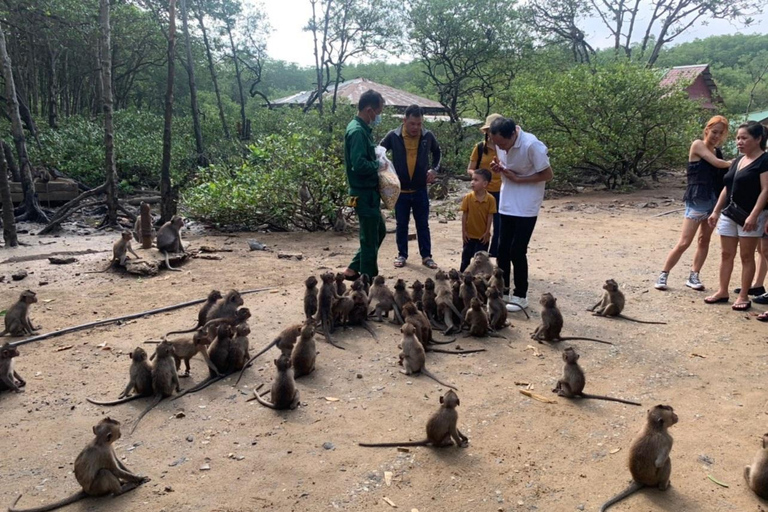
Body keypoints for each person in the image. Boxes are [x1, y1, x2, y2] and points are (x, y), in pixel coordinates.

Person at [654, 116, 731, 291]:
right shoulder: (698, 145)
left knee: (704, 240)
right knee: (684, 242)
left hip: (713, 202)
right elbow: (718, 164)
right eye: (714, 132)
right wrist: (736, 163)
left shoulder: (718, 151)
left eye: (720, 133)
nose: (716, 136)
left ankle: (694, 275)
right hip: (698, 200)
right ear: (707, 130)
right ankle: (664, 274)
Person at [488, 117, 553, 311]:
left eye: (503, 144)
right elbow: (508, 165)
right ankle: (503, 290)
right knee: (502, 249)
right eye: (497, 143)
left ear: (513, 135)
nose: (501, 148)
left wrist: (518, 178)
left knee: (517, 250)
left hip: (526, 204)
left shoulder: (532, 145)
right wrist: (501, 169)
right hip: (507, 200)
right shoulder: (500, 142)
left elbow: (548, 174)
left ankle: (520, 295)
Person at [704, 121, 768, 312]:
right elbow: (727, 187)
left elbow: (766, 190)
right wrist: (716, 211)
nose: (739, 142)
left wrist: (754, 215)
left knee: (746, 256)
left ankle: (743, 295)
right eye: (738, 138)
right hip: (729, 213)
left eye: (744, 138)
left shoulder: (764, 160)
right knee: (726, 254)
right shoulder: (739, 160)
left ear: (757, 139)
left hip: (750, 215)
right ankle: (722, 290)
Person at [380, 104, 441, 269]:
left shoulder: (427, 136)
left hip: (420, 189)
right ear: (404, 120)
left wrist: (434, 170)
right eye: (412, 123)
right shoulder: (393, 135)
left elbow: (438, 152)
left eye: (419, 123)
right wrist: (387, 172)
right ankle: (402, 255)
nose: (416, 127)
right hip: (400, 191)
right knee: (401, 224)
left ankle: (426, 256)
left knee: (423, 224)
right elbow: (379, 153)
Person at [342, 89, 387, 281]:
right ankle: (369, 281)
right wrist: (378, 165)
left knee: (378, 230)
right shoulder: (358, 131)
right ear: (369, 110)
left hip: (366, 192)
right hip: (363, 192)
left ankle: (353, 269)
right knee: (369, 237)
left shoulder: (360, 129)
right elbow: (358, 164)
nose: (378, 116)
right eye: (378, 112)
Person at [467, 113, 503, 257]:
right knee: (480, 224)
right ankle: (478, 253)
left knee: (499, 225)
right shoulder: (480, 147)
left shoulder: (505, 147)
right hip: (483, 192)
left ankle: (494, 253)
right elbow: (470, 168)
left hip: (501, 191)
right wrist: (478, 177)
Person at [459, 168, 497, 272]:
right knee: (465, 259)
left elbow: (490, 216)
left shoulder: (490, 199)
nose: (472, 182)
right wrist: (464, 232)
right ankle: (462, 279)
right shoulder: (468, 197)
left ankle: (480, 281)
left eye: (476, 180)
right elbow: (464, 215)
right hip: (469, 235)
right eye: (472, 179)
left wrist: (487, 232)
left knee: (481, 261)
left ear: (485, 184)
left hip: (482, 237)